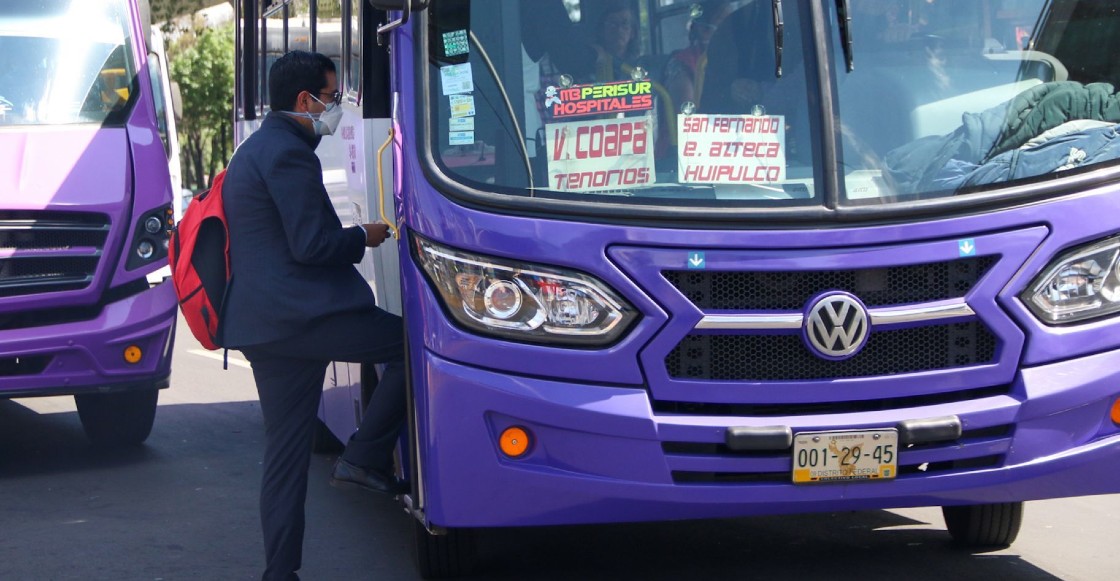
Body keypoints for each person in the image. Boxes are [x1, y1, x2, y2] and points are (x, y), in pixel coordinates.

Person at [221, 50, 408, 581]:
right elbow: (312, 245)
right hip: (304, 317)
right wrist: (364, 237)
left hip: (264, 326)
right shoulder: (288, 153)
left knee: (283, 460)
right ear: (303, 100)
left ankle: (280, 575)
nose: (336, 110)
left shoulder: (252, 149)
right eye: (331, 98)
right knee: (412, 349)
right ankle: (364, 456)